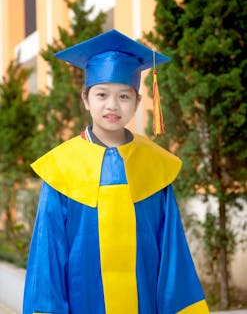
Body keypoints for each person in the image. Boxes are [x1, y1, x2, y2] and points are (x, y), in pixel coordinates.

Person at [23, 29, 209, 314]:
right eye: (101, 94)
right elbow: (48, 262)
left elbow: (173, 258)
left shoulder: (154, 166)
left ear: (137, 101)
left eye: (124, 95)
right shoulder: (61, 168)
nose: (112, 105)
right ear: (85, 98)